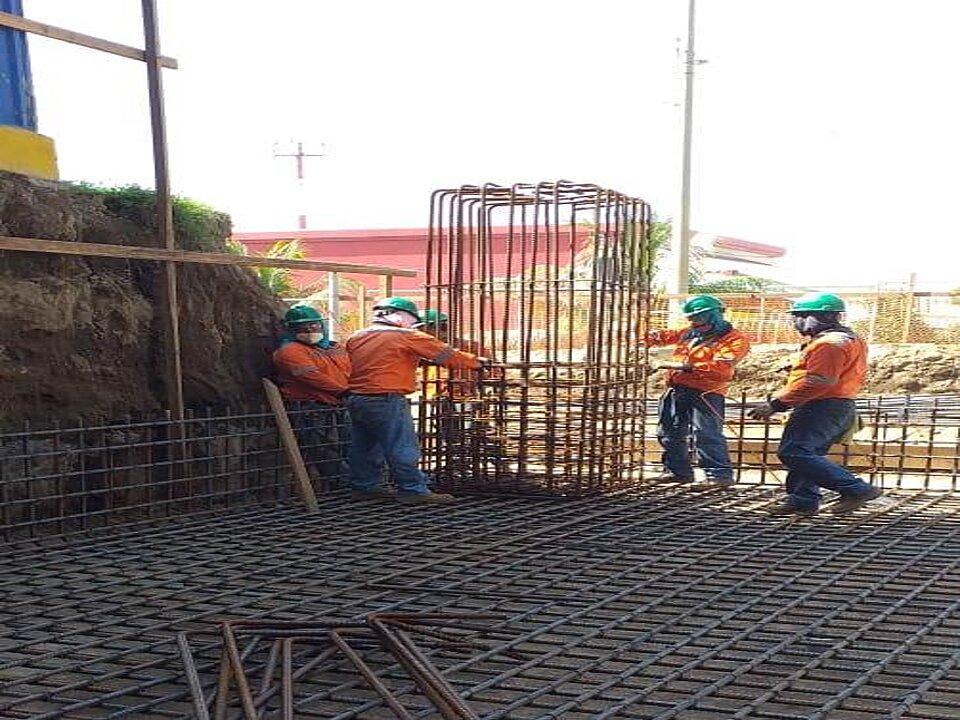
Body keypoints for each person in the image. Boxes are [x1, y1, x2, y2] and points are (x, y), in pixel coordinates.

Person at [749, 292, 882, 516]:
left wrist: (777, 404)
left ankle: (856, 489)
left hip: (822, 405)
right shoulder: (847, 338)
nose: (795, 322)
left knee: (794, 452)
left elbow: (819, 382)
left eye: (799, 316)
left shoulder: (829, 344)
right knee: (808, 452)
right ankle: (803, 499)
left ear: (816, 316)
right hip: (836, 404)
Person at [345, 297, 488, 504]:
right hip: (387, 399)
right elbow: (447, 355)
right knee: (402, 446)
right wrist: (476, 363)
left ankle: (365, 486)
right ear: (399, 315)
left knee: (364, 446)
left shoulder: (356, 336)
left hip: (358, 398)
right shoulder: (406, 335)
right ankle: (413, 489)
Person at [645, 294, 751, 486]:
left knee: (707, 434)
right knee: (669, 432)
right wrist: (645, 335)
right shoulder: (689, 332)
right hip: (676, 389)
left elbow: (721, 366)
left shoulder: (734, 339)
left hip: (706, 392)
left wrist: (682, 366)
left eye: (700, 318)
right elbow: (663, 336)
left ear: (715, 315)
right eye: (692, 318)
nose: (695, 323)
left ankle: (718, 476)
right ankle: (678, 472)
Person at [272, 305, 351, 488]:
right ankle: (338, 486)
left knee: (347, 444)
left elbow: (351, 370)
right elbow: (312, 377)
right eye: (302, 328)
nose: (309, 331)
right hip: (311, 407)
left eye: (313, 326)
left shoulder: (334, 348)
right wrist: (343, 391)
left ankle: (350, 482)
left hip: (338, 404)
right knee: (323, 449)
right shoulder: (290, 351)